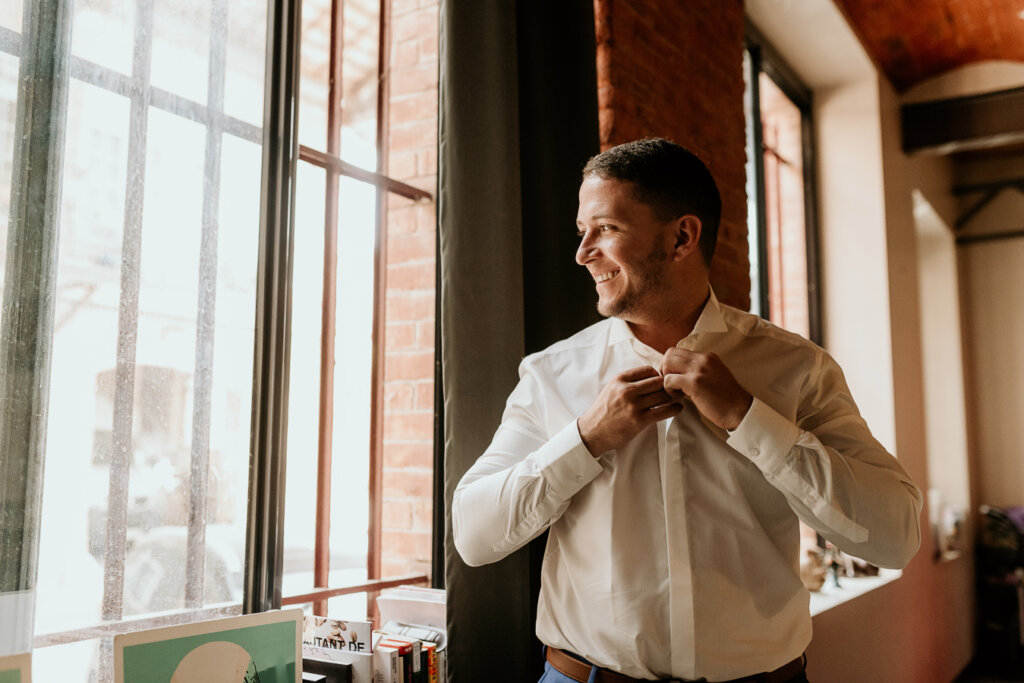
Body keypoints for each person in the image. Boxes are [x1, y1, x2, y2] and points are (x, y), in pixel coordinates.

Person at [452, 138, 922, 682]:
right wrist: (585, 439)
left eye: (605, 229)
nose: (582, 253)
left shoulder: (798, 369)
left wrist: (750, 418)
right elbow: (475, 536)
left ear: (681, 237)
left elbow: (896, 536)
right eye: (582, 233)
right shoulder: (552, 375)